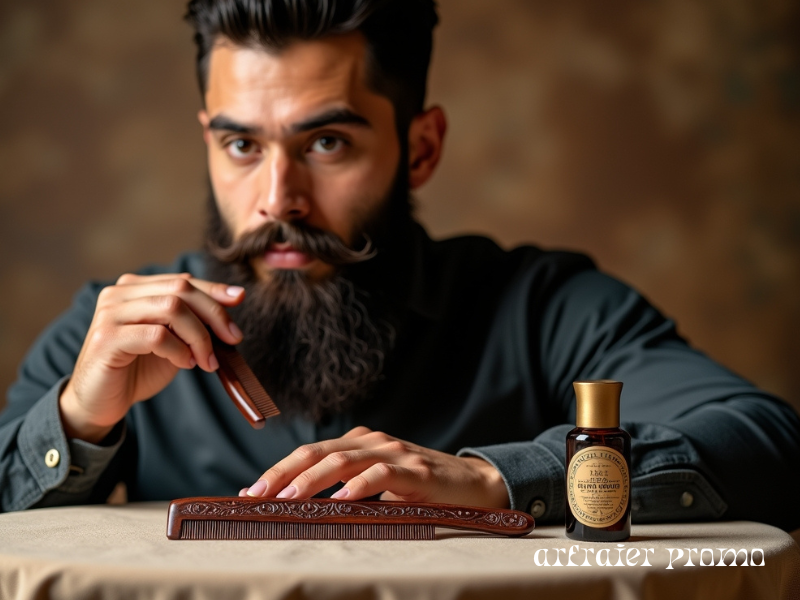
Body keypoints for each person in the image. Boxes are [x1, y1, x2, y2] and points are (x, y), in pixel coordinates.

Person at [1, 0, 799, 532]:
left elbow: (770, 446)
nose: (278, 200)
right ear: (208, 136)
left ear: (420, 148)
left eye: (327, 143)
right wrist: (76, 422)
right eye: (242, 145)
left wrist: (497, 480)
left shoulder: (544, 307)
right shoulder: (114, 331)